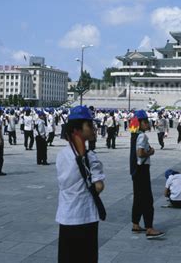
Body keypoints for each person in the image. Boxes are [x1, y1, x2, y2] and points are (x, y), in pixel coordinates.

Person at [56, 105, 106, 263]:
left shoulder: (61, 154)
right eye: (89, 125)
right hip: (85, 216)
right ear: (77, 129)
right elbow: (99, 187)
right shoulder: (90, 158)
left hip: (66, 215)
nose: (93, 129)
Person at [130, 110, 165, 239]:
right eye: (146, 122)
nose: (148, 124)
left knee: (138, 198)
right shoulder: (142, 136)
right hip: (142, 170)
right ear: (140, 123)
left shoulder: (134, 134)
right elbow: (140, 153)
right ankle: (149, 228)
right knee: (147, 199)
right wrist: (151, 152)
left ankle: (135, 224)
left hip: (135, 170)